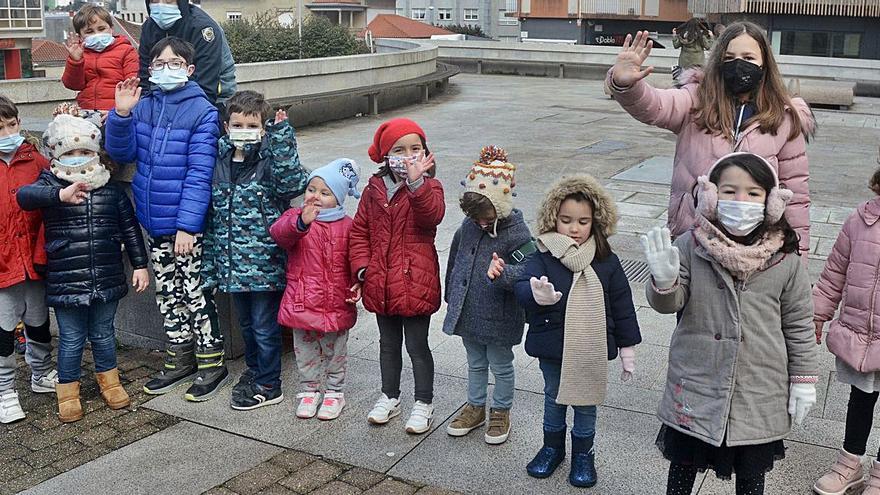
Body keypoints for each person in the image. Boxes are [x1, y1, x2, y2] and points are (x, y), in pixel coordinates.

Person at [642, 152, 817, 495]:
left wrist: (804, 379)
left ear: (771, 202)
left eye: (753, 193)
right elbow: (670, 304)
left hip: (759, 386)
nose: (741, 201)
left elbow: (798, 323)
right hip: (698, 380)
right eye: (729, 191)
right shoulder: (690, 246)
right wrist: (664, 282)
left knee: (751, 471)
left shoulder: (785, 258)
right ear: (710, 196)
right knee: (684, 462)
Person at [608, 22, 814, 256]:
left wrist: (799, 256)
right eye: (730, 57)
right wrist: (627, 84)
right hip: (694, 236)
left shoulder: (784, 117)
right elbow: (656, 105)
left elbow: (795, 195)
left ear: (764, 63)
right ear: (718, 61)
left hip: (756, 242)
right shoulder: (696, 100)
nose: (738, 64)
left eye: (748, 57)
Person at [105, 37, 224, 401]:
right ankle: (179, 356)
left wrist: (188, 225)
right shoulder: (145, 105)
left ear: (189, 70)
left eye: (175, 63)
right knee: (168, 294)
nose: (166, 68)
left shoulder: (202, 111)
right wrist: (121, 114)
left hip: (186, 228)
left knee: (195, 292)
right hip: (154, 222)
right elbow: (121, 153)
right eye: (159, 63)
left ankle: (211, 361)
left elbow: (200, 172)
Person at [17, 114, 149, 423]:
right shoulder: (50, 183)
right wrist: (59, 195)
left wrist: (140, 265)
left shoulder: (111, 190)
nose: (79, 158)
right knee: (72, 337)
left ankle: (110, 382)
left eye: (86, 152)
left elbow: (130, 229)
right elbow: (24, 197)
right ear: (57, 155)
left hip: (105, 273)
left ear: (96, 153)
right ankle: (68, 390)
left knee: (103, 333)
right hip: (66, 278)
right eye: (70, 153)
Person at [515, 175, 641, 488]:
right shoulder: (543, 255)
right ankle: (552, 447)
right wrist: (535, 295)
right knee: (553, 397)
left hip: (590, 347)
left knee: (586, 403)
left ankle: (584, 455)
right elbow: (521, 285)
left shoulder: (605, 260)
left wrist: (628, 348)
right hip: (553, 344)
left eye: (583, 221)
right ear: (552, 218)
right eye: (566, 220)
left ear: (596, 221)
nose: (574, 228)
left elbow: (622, 304)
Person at [200, 91, 308, 408]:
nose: (243, 131)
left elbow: (292, 184)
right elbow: (213, 219)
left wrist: (282, 139)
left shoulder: (269, 160)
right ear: (226, 126)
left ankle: (269, 384)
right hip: (231, 266)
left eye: (251, 125)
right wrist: (211, 264)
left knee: (264, 327)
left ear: (262, 129)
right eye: (237, 124)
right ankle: (254, 370)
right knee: (247, 326)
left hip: (264, 265)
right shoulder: (218, 161)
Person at [350, 118, 445, 434]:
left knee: (417, 346)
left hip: (415, 280)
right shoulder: (373, 190)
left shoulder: (430, 187)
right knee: (387, 344)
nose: (408, 156)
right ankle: (389, 396)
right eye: (399, 150)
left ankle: (423, 403)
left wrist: (418, 184)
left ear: (425, 152)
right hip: (381, 281)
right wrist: (363, 268)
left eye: (415, 149)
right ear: (385, 156)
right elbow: (360, 231)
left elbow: (432, 216)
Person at [443, 145, 533, 445]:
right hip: (469, 310)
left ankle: (501, 410)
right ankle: (475, 406)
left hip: (500, 315)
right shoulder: (467, 228)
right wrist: (451, 297)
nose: (481, 221)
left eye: (486, 214)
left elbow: (529, 271)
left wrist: (504, 273)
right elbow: (454, 262)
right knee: (475, 362)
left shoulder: (517, 233)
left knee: (501, 364)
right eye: (475, 214)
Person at [270, 159, 362, 420]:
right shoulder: (295, 217)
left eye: (325, 192)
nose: (316, 197)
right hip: (303, 300)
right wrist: (301, 223)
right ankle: (308, 390)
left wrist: (359, 281)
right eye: (312, 190)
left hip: (336, 301)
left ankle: (335, 392)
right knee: (305, 351)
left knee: (336, 352)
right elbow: (279, 235)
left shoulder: (348, 225)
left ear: (339, 197)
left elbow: (356, 256)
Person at [812, 166, 880, 495]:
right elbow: (834, 272)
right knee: (860, 399)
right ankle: (849, 461)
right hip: (861, 334)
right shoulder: (861, 219)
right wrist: (817, 314)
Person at [0, 95, 57, 424]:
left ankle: (41, 372)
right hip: (4, 263)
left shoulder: (36, 161)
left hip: (33, 258)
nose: (8, 132)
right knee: (4, 328)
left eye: (12, 124)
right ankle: (6, 389)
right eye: (0, 127)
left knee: (38, 321)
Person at [138, 0, 236, 105]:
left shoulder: (203, 28)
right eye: (154, 1)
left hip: (213, 98)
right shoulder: (149, 28)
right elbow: (145, 76)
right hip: (162, 96)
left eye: (169, 1)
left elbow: (206, 84)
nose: (161, 6)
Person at [62, 4, 139, 114]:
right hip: (87, 110)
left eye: (101, 29)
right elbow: (73, 85)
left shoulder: (126, 51)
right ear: (80, 36)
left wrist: (117, 112)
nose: (97, 34)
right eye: (89, 32)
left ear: (111, 29)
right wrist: (75, 61)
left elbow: (132, 85)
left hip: (116, 111)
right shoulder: (80, 53)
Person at [671, 18, 714, 83]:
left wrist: (674, 35)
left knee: (684, 81)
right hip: (698, 62)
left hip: (684, 63)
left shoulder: (683, 36)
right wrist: (711, 37)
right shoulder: (701, 36)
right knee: (696, 82)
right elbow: (708, 47)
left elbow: (676, 45)